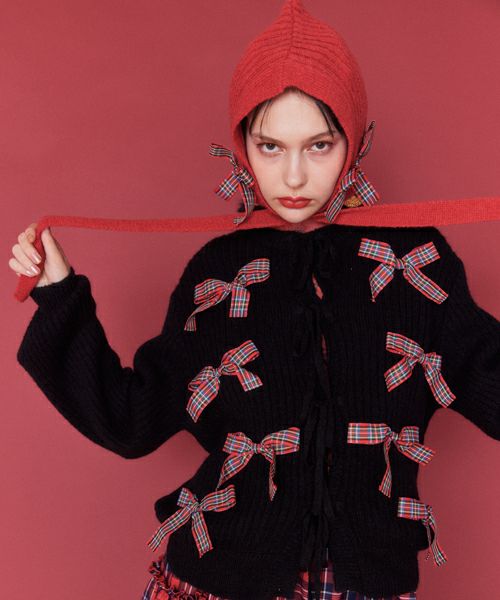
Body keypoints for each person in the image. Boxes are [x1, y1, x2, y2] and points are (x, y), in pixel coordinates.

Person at [10, 1, 499, 599]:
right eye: (270, 147)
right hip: (217, 581)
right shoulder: (220, 274)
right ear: (242, 144)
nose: (293, 177)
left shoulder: (417, 266)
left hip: (367, 584)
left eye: (318, 146)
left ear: (354, 138)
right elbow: (130, 420)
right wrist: (59, 295)